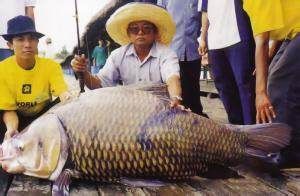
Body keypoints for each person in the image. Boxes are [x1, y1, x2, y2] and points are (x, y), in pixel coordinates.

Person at [71, 2, 182, 107]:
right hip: (129, 109)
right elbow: (100, 85)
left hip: (160, 108)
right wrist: (83, 72)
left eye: (147, 28)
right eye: (134, 29)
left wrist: (175, 98)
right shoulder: (117, 55)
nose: (140, 32)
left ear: (155, 32)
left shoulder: (167, 54)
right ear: (128, 33)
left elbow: (172, 78)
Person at [243, 0, 300, 164]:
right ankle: (280, 145)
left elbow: (261, 41)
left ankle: (290, 152)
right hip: (292, 33)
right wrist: (269, 60)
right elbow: (279, 24)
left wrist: (260, 93)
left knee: (278, 84)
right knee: (274, 79)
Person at [0, 16, 72, 142]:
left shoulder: (51, 66)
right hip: (17, 116)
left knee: (63, 106)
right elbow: (8, 110)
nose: (27, 44)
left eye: (32, 39)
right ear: (10, 45)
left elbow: (62, 92)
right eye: (20, 39)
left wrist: (68, 98)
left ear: (37, 42)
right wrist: (12, 128)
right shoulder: (2, 70)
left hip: (42, 116)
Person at [198, 0, 256, 125]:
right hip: (215, 43)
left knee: (245, 86)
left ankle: (251, 129)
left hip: (238, 38)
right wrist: (203, 38)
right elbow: (205, 11)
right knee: (224, 88)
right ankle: (235, 128)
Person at [157, 0, 206, 116]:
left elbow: (203, 20)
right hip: (171, 53)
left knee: (193, 91)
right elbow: (159, 20)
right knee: (175, 94)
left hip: (193, 51)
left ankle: (196, 122)